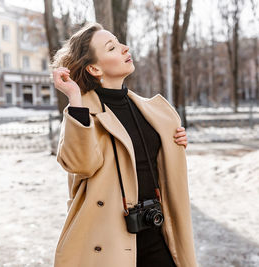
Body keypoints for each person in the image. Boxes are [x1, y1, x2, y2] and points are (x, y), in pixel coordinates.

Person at [51, 22, 198, 267]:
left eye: (119, 43)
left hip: (155, 230)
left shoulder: (151, 111)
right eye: (112, 47)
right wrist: (74, 98)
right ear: (94, 68)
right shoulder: (83, 114)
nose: (124, 48)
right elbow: (81, 165)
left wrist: (173, 144)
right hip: (108, 239)